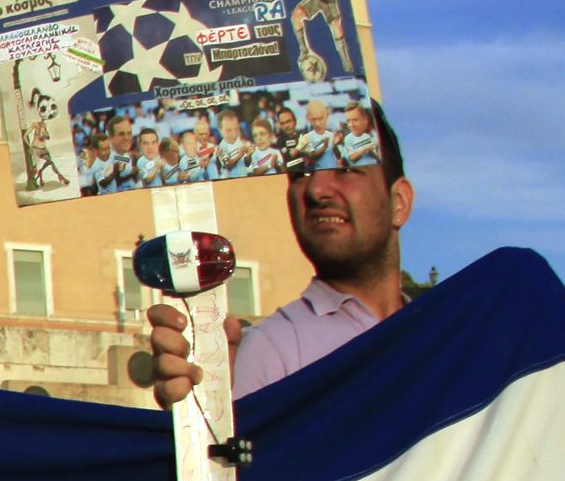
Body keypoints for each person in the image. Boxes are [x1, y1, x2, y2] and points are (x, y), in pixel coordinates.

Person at [148, 102, 416, 406]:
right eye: (299, 173)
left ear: (399, 202)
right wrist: (203, 408)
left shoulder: (448, 335)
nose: (316, 190)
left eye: (343, 169)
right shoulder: (271, 349)